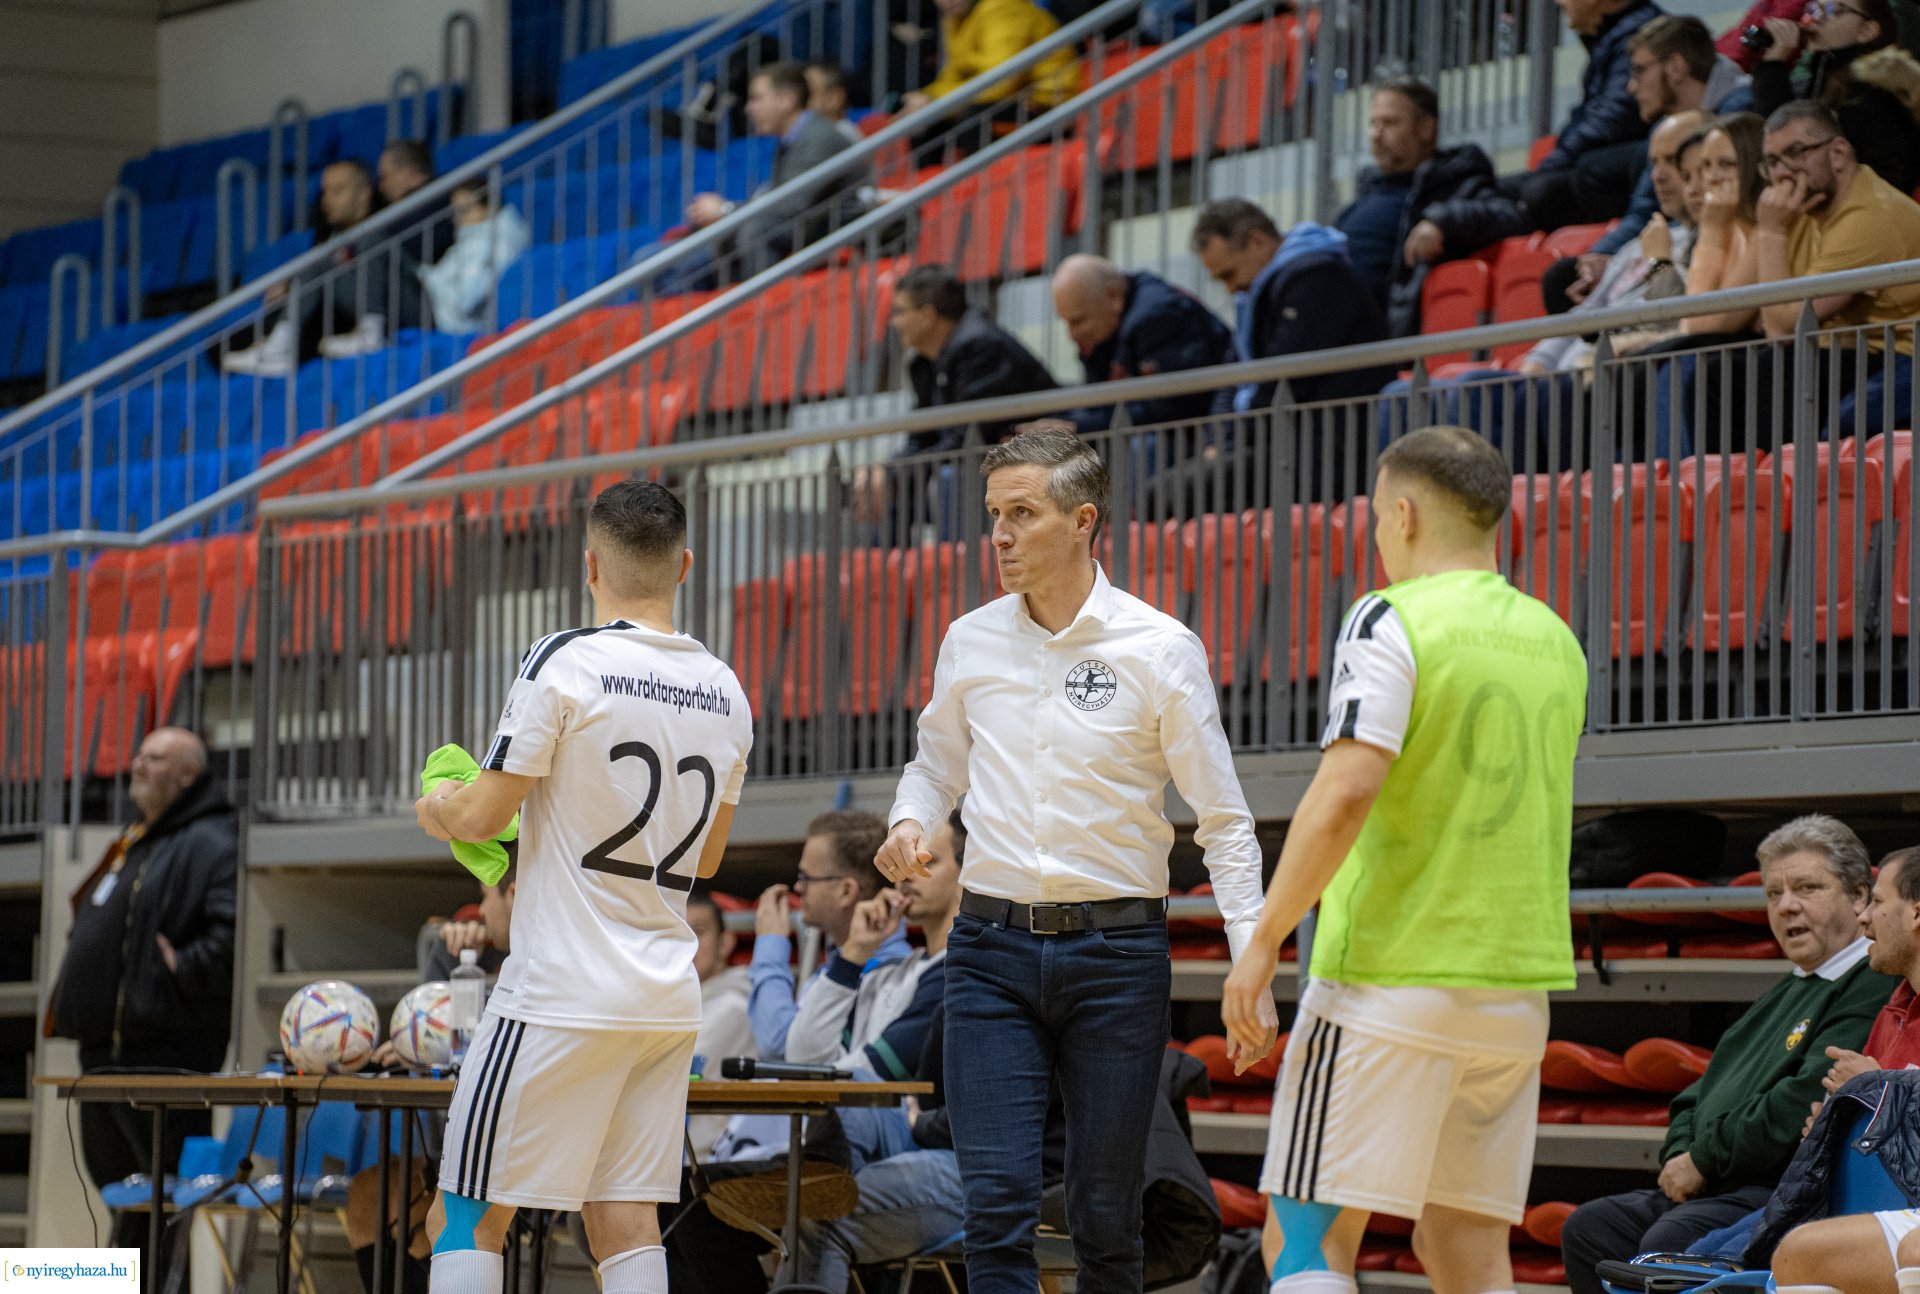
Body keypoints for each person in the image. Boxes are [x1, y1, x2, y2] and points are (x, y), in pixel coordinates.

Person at [876, 421, 1269, 1293]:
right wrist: (912, 819)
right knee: (998, 1209)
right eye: (992, 515)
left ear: (1083, 520)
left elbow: (1225, 823)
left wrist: (1251, 958)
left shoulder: (1160, 647)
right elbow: (933, 764)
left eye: (1021, 513)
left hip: (1117, 958)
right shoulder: (968, 639)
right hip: (988, 956)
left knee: (1104, 1211)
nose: (1000, 537)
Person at [1217, 425, 1587, 1294]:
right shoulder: (1556, 639)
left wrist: (1264, 939)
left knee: (1306, 1244)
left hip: (1390, 976)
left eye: (1378, 520)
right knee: (1467, 1252)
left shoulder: (1391, 615)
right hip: (1515, 993)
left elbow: (1346, 792)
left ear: (1404, 514)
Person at [412, 477, 754, 1294]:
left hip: (560, 991)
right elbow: (706, 861)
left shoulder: (565, 658)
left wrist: (436, 808)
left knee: (463, 1216)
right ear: (686, 566)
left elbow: (482, 812)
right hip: (664, 999)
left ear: (588, 564)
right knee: (626, 1223)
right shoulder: (728, 690)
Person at [1558, 814, 1898, 1294]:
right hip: (1715, 1182)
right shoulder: (1782, 992)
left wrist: (1702, 1160)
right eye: (1773, 894)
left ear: (1860, 896)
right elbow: (1698, 1094)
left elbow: (1798, 1103)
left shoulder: (1869, 983)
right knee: (1592, 1227)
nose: (1787, 906)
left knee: (1670, 1242)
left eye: (1807, 888)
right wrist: (1681, 1154)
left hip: (1776, 1189)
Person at [50, 727, 237, 1258]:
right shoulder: (136, 841)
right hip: (102, 1057)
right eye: (138, 754)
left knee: (160, 1213)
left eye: (154, 758)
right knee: (123, 1206)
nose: (136, 764)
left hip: (166, 1060)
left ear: (187, 776)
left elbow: (230, 937)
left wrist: (177, 969)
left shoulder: (212, 840)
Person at [347, 853, 520, 1294]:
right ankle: (134, 1279)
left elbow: (500, 1053)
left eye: (486, 897)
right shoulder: (482, 954)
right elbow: (441, 1027)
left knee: (438, 1215)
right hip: (459, 1151)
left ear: (515, 894)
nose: (481, 912)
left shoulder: (547, 963)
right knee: (370, 1192)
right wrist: (453, 958)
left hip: (524, 1157)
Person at [1755, 846, 1920, 1294]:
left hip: (1891, 1200)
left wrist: (1878, 1090)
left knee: (1796, 1250)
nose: (1864, 919)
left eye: (1878, 903)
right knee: (1704, 1249)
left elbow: (1884, 1111)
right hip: (1856, 1194)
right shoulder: (1894, 1007)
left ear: (1916, 913)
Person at [1557, 16, 1747, 307]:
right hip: (1675, 239)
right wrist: (1598, 256)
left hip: (1714, 242)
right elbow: (1643, 209)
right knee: (1563, 279)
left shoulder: (1740, 112)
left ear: (1676, 68)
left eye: (1638, 71)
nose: (1631, 87)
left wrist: (1657, 256)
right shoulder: (1665, 129)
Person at [851, 265, 1058, 527]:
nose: (893, 322)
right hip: (976, 466)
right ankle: (879, 568)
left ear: (928, 315)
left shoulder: (980, 346)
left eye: (900, 312)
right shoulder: (924, 362)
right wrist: (885, 472)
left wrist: (894, 473)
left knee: (949, 479)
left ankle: (959, 568)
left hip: (1030, 467)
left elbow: (967, 438)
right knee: (880, 491)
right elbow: (921, 436)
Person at [1334, 75, 1532, 335]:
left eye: (1390, 123)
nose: (1376, 134)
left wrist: (1441, 220)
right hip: (1334, 317)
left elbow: (1512, 215)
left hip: (1382, 333)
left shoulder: (1455, 180)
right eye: (1373, 123)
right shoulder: (1365, 195)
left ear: (1426, 129)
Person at [1189, 198, 1397, 412]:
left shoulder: (1317, 277)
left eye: (1229, 274)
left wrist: (1235, 437)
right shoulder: (1254, 297)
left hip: (1335, 433)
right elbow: (1234, 371)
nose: (1230, 289)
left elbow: (1285, 380)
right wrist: (1220, 437)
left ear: (1257, 241)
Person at [745, 809, 901, 1065]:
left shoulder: (887, 973)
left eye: (806, 878)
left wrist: (770, 944)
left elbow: (781, 1049)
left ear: (846, 891)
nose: (798, 888)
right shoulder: (836, 965)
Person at [1518, 0, 1665, 232]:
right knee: (1509, 188)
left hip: (1610, 170)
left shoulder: (1639, 33)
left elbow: (1611, 120)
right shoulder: (1610, 37)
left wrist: (1551, 166)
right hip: (1598, 162)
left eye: (1638, 73)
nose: (1557, 2)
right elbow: (1590, 116)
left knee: (1541, 190)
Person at [222, 159, 381, 374]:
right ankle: (276, 345)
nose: (327, 200)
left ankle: (369, 331)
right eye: (325, 192)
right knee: (225, 345)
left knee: (316, 268)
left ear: (364, 194)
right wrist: (290, 286)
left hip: (386, 314)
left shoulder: (386, 229)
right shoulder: (329, 239)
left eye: (338, 191)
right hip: (334, 314)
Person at [1747, 0, 1920, 193]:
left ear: (1867, 31)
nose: (1814, 18)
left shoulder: (1869, 92)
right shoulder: (1822, 76)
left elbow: (1785, 137)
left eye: (1832, 10)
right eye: (1814, 9)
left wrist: (1773, 66)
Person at [1050, 253, 1234, 434]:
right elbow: (1100, 401)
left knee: (1146, 445)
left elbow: (1168, 409)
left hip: (1204, 433)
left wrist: (1080, 426)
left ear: (1113, 296)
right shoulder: (1109, 326)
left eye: (1078, 321)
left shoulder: (1158, 315)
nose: (1071, 335)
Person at [901, 0, 1083, 151]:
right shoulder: (956, 17)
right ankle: (929, 189)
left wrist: (936, 100)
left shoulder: (1005, 8)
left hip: (1045, 107)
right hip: (1007, 100)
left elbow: (1001, 82)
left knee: (972, 116)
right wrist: (926, 98)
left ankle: (976, 186)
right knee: (925, 122)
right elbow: (953, 74)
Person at [685, 891, 755, 1157]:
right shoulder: (677, 1001)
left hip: (708, 1163)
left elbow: (660, 1071)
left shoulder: (733, 1008)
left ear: (725, 944)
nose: (687, 944)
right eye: (678, 933)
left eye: (699, 932)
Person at [419, 178, 531, 333]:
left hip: (453, 324)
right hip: (437, 309)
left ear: (489, 207)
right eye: (454, 212)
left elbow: (463, 300)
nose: (456, 219)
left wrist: (430, 281)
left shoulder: (497, 243)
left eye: (463, 210)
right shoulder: (470, 240)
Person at [806, 60, 865, 144]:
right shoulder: (807, 133)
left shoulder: (843, 136)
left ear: (835, 98)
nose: (800, 100)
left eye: (808, 93)